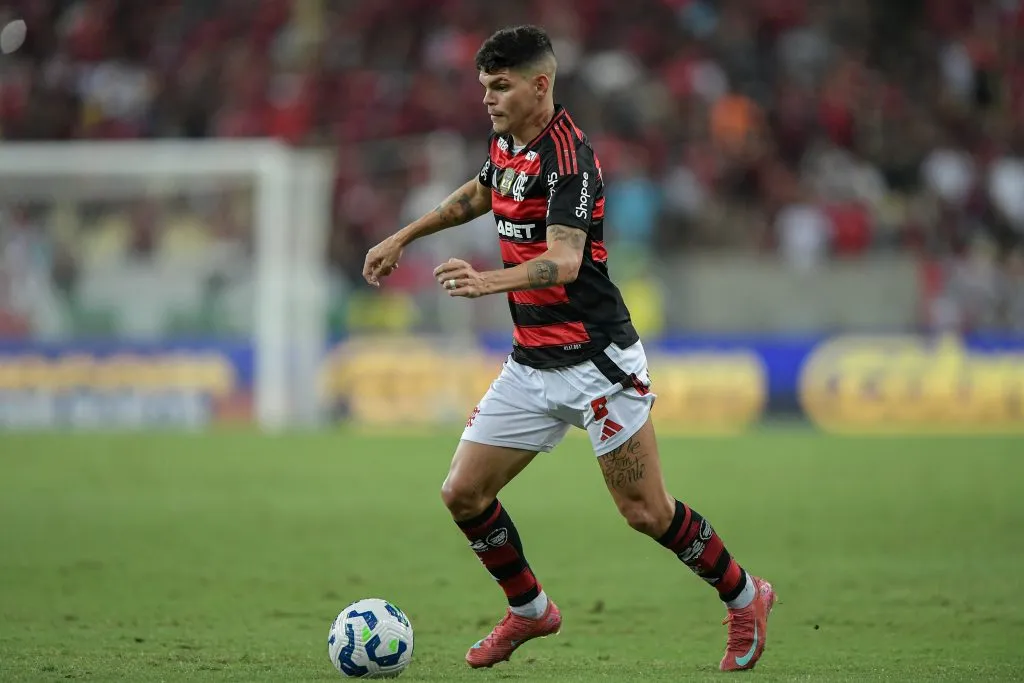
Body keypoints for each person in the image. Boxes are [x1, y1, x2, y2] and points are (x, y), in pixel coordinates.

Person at [362, 25, 776, 672]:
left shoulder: (570, 159)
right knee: (463, 493)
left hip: (597, 363)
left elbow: (564, 260)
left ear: (540, 85)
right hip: (531, 362)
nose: (488, 98)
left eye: (501, 86)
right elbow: (480, 192)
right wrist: (403, 236)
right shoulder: (507, 141)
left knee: (646, 512)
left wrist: (486, 280)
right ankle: (530, 609)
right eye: (484, 86)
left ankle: (746, 595)